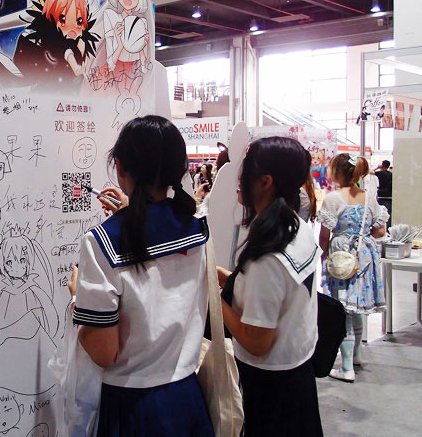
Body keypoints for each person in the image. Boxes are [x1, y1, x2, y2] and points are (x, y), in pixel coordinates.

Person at [71, 115, 214, 436]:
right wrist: (129, 212)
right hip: (188, 398)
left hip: (134, 407)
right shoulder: (197, 231)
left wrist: (77, 299)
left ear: (120, 167)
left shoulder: (102, 243)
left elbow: (104, 352)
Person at [217, 137, 323, 437]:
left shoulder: (268, 257)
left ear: (265, 181)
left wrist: (212, 297)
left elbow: (257, 342)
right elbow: (273, 292)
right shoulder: (295, 227)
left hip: (271, 388)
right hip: (297, 371)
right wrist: (221, 276)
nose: (239, 177)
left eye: (245, 170)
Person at [318, 153, 389, 383]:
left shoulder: (333, 199)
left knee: (343, 311)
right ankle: (356, 355)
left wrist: (324, 255)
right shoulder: (368, 197)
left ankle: (346, 367)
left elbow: (324, 236)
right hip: (364, 257)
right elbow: (380, 231)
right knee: (355, 308)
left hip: (341, 257)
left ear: (338, 172)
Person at [374, 159, 393, 227]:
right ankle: (388, 228)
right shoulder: (391, 174)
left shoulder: (380, 173)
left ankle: (383, 228)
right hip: (390, 196)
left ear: (382, 165)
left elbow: (370, 172)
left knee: (381, 215)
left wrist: (377, 167)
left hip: (382, 196)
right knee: (388, 214)